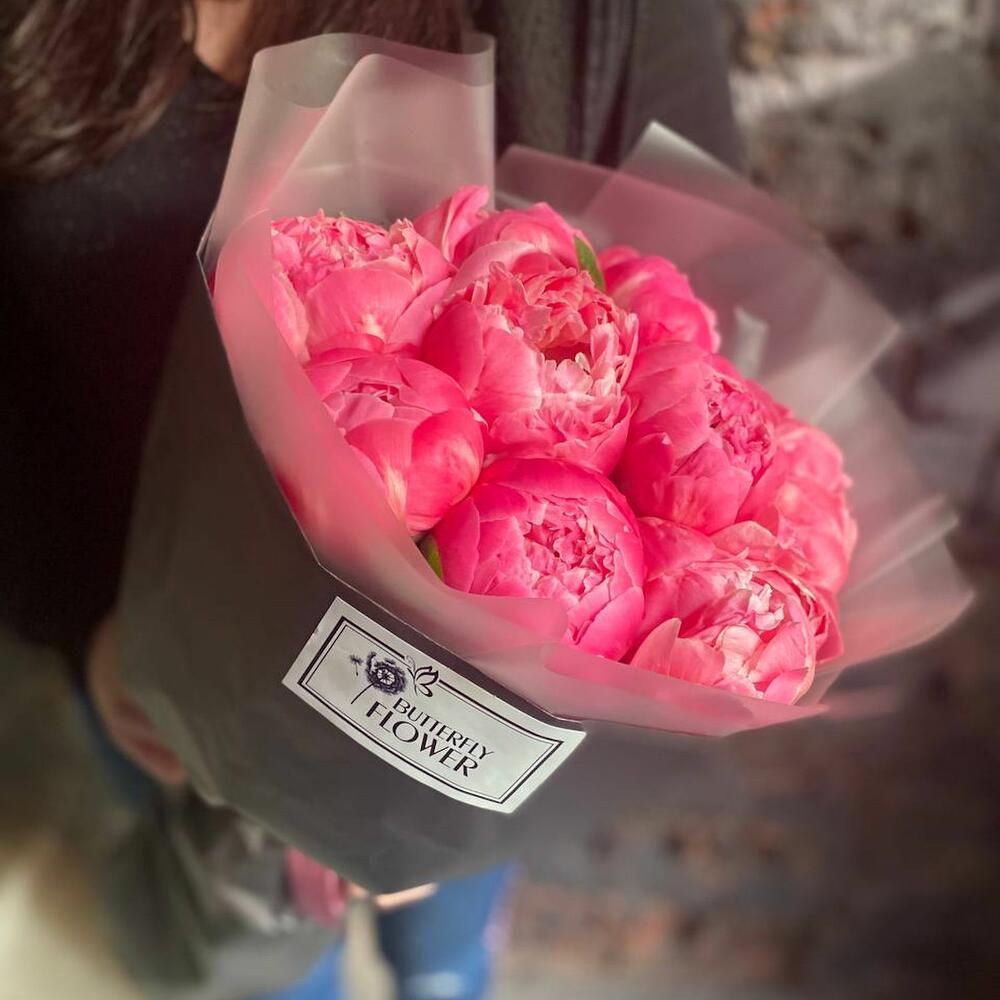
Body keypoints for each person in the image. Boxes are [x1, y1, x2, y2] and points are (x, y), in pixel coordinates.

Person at [1, 2, 739, 998]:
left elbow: (699, 326)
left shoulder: (592, 20)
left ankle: (445, 969)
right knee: (260, 959)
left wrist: (447, 771)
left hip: (483, 717)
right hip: (147, 637)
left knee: (443, 938)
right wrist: (78, 611)